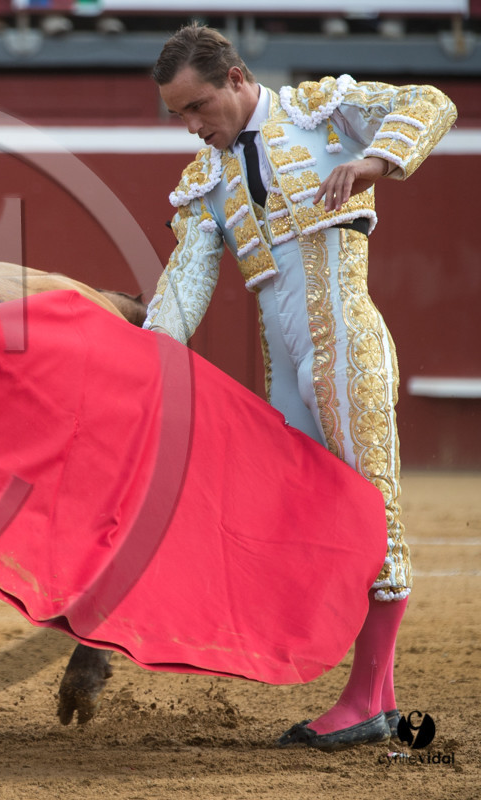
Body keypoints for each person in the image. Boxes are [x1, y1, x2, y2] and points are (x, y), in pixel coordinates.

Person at [144, 23, 457, 750]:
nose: (193, 128)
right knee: (305, 515)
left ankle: (367, 696)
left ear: (236, 78)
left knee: (372, 510)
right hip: (286, 369)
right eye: (178, 117)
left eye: (197, 108)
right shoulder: (209, 180)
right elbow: (188, 277)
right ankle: (360, 690)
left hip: (347, 346)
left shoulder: (322, 111)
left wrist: (378, 159)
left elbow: (431, 100)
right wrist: (150, 351)